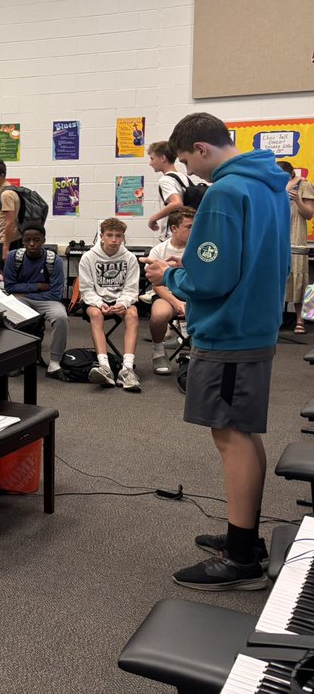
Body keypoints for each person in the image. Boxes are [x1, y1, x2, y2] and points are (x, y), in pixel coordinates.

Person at [143, 112, 290, 590]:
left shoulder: (226, 191)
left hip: (230, 330)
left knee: (231, 437)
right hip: (256, 321)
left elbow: (212, 278)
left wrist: (170, 277)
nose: (189, 171)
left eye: (187, 161)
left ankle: (242, 558)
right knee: (241, 433)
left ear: (202, 149)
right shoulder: (270, 183)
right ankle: (242, 535)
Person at [78, 218, 141, 391]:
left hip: (121, 299)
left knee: (133, 314)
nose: (114, 240)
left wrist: (123, 302)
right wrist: (99, 303)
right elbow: (86, 290)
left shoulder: (130, 258)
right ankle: (104, 366)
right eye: (110, 235)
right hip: (96, 299)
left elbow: (131, 288)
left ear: (123, 238)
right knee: (96, 315)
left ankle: (127, 369)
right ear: (102, 236)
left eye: (118, 236)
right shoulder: (88, 258)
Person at [2, 225, 67, 377]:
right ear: (22, 242)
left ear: (44, 240)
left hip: (45, 300)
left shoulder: (54, 261)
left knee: (61, 317)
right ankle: (16, 360)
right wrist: (38, 286)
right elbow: (10, 287)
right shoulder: (13, 257)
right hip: (22, 298)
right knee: (12, 313)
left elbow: (56, 294)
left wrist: (26, 292)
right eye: (28, 240)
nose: (32, 244)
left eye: (36, 240)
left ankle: (55, 363)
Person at [147, 208, 194, 374]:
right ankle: (159, 352)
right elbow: (157, 284)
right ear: (174, 228)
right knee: (159, 314)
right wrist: (177, 303)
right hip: (167, 295)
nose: (194, 230)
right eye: (189, 227)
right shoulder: (159, 250)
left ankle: (196, 354)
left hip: (193, 294)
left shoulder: (198, 249)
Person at [279, 161, 314, 333]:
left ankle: (301, 320)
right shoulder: (275, 185)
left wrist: (298, 200)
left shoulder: (304, 185)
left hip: (296, 237)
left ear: (291, 173)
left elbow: (308, 214)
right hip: (279, 239)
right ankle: (276, 318)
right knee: (279, 280)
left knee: (300, 279)